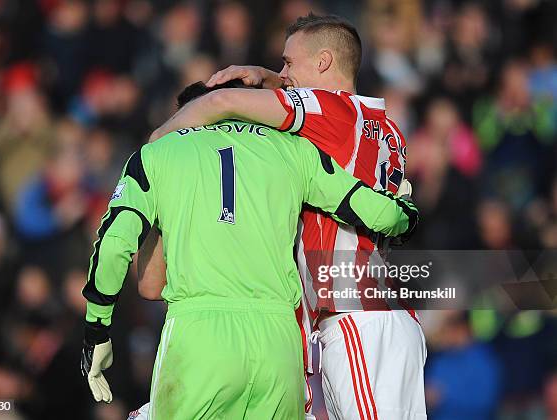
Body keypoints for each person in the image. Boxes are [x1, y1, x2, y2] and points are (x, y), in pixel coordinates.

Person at [80, 79, 418, 419]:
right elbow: (375, 210)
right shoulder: (292, 149)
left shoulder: (156, 155)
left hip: (200, 333)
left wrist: (97, 326)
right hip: (278, 342)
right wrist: (406, 216)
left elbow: (114, 245)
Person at [149, 13, 427, 420]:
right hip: (385, 313)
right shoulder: (386, 128)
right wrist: (272, 78)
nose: (282, 73)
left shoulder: (329, 113)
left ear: (324, 61)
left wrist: (158, 146)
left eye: (288, 63)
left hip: (355, 318)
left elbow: (222, 101)